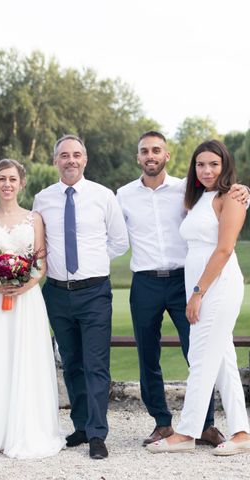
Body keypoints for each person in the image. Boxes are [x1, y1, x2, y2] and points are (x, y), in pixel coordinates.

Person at [116, 131, 223, 447]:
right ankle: (162, 423)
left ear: (167, 155)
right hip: (144, 283)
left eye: (156, 150)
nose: (150, 155)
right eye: (145, 151)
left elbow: (222, 193)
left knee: (197, 353)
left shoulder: (185, 189)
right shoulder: (122, 195)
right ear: (138, 157)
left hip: (183, 281)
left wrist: (243, 189)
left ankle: (205, 425)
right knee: (148, 356)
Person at [148, 140, 250, 455]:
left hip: (217, 285)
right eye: (201, 164)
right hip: (201, 283)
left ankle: (187, 432)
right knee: (222, 360)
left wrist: (197, 292)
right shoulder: (198, 198)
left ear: (225, 166)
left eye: (214, 164)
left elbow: (224, 249)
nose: (207, 170)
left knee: (202, 357)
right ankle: (243, 432)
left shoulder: (231, 197)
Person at [33, 135, 129, 460]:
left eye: (76, 155)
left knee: (96, 365)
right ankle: (81, 427)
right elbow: (38, 243)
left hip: (94, 293)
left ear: (84, 160)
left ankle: (98, 433)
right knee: (71, 363)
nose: (70, 160)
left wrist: (92, 262)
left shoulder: (103, 196)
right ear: (55, 160)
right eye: (64, 155)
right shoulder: (42, 199)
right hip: (57, 294)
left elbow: (119, 241)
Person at [0, 159, 65, 459]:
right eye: (1, 179)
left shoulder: (34, 218)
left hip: (27, 299)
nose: (7, 184)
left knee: (26, 358)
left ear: (22, 183)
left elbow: (41, 263)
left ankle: (27, 428)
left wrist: (23, 285)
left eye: (12, 179)